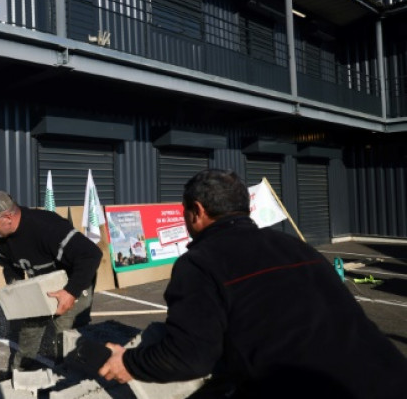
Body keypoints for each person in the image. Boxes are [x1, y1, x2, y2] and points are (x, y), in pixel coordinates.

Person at [98, 168, 407, 398]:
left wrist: (129, 362)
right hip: (388, 375)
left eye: (184, 212)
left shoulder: (200, 263)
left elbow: (188, 357)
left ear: (197, 211)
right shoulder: (296, 247)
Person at [0, 190, 102, 370]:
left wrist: (70, 292)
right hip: (41, 283)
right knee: (29, 329)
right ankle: (20, 372)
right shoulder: (2, 238)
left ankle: (68, 378)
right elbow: (9, 267)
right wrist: (16, 291)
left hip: (74, 281)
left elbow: (91, 255)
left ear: (8, 217)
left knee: (65, 336)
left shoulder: (47, 226)